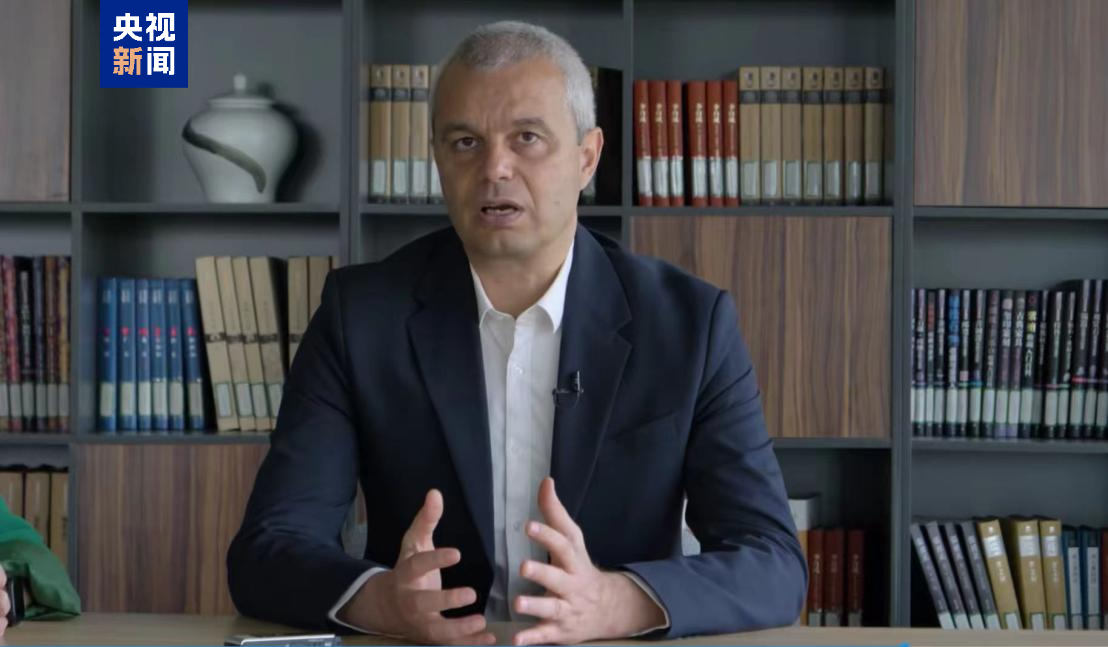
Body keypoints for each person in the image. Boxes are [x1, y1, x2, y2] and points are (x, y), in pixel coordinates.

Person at [227, 20, 806, 645]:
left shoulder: (689, 325)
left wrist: (614, 602)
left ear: (587, 157)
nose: (494, 168)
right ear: (438, 160)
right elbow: (267, 549)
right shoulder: (361, 315)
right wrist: (379, 602)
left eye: (527, 138)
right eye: (465, 143)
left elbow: (773, 563)